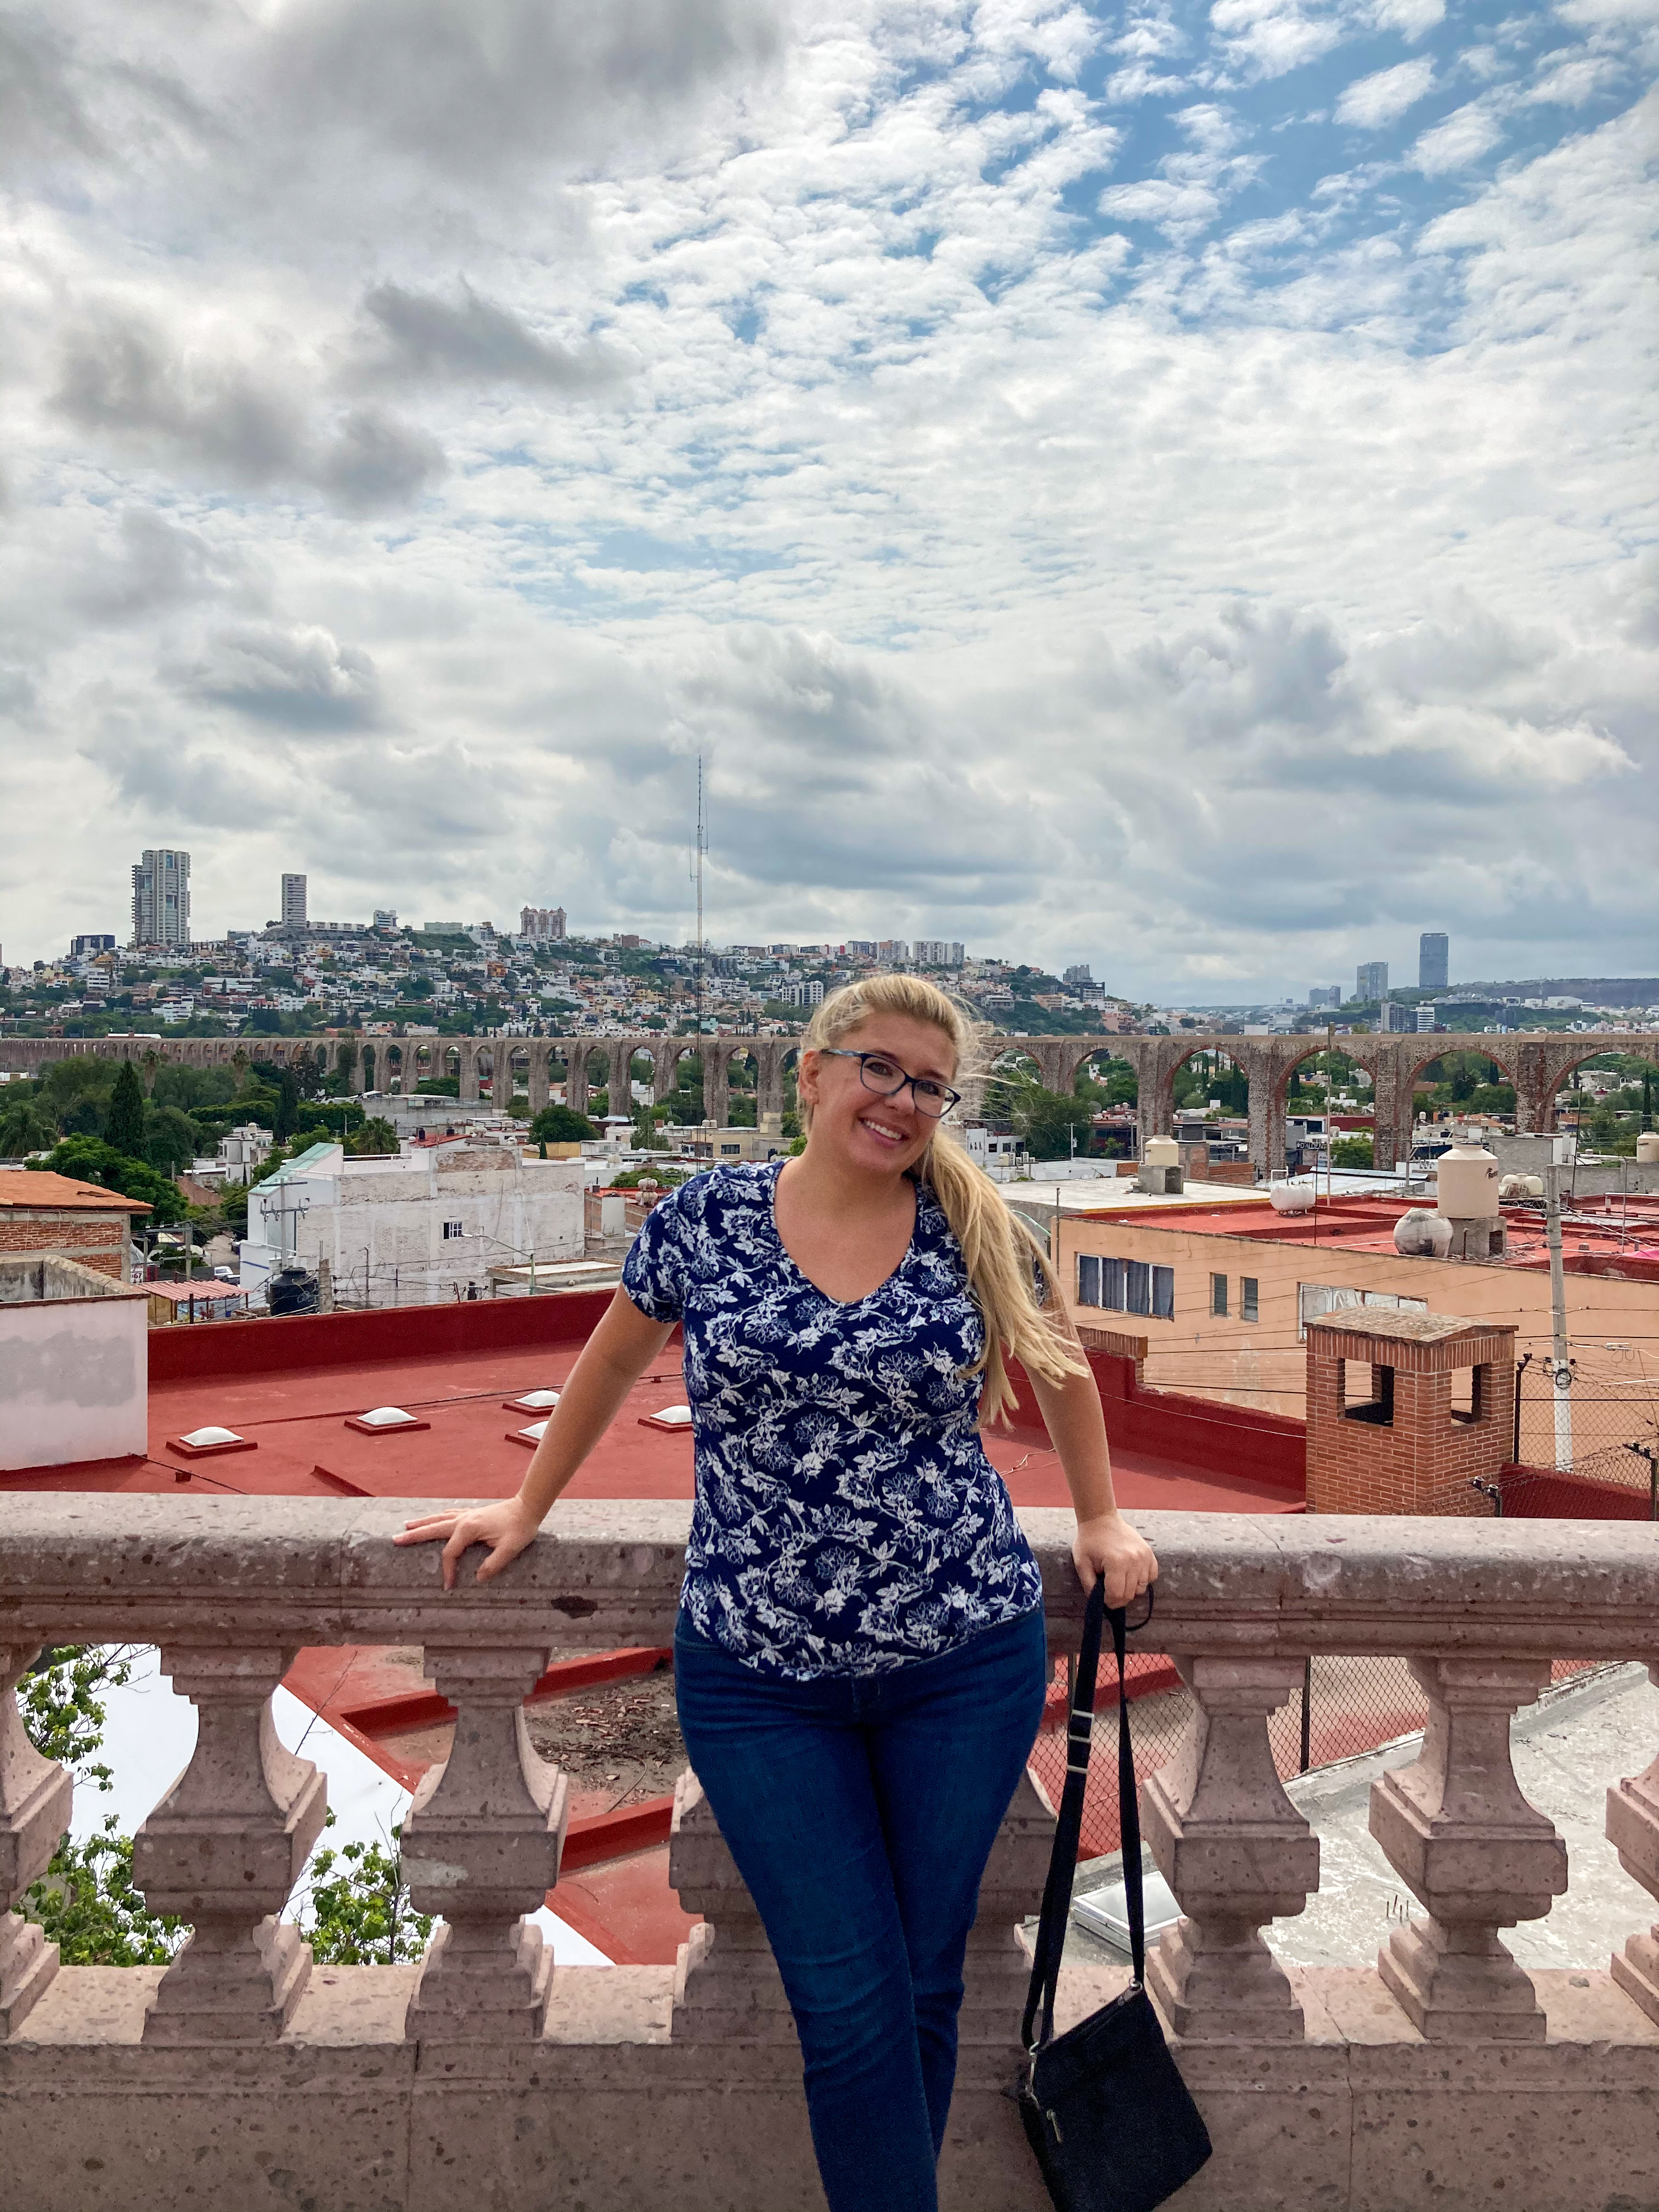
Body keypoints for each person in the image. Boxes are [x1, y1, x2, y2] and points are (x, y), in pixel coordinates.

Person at [398, 974, 1157, 2212]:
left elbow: (1062, 1366)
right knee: (848, 2001)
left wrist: (1100, 1513)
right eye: (879, 1069)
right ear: (811, 1075)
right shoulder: (706, 1218)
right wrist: (527, 1506)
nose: (902, 1101)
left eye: (929, 1086)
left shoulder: (976, 1227)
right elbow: (609, 1360)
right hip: (760, 1682)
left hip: (962, 1661)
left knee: (921, 1984)